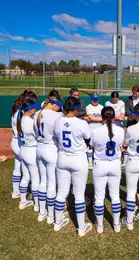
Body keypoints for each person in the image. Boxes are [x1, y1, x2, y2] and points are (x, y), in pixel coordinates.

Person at [53, 97, 92, 237]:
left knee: (62, 192)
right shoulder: (82, 123)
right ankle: (81, 228)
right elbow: (89, 139)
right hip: (78, 159)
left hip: (62, 158)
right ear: (75, 109)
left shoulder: (57, 121)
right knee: (79, 194)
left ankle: (57, 223)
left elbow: (56, 139)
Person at [91, 107, 125, 234]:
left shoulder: (96, 131)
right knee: (115, 195)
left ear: (102, 117)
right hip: (115, 164)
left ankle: (100, 225)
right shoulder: (121, 131)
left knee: (99, 197)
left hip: (100, 164)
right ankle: (116, 224)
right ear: (114, 116)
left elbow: (93, 146)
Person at [34, 96, 62, 224]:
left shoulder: (36, 114)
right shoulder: (56, 116)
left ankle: (42, 213)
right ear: (54, 105)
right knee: (51, 183)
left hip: (39, 149)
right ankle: (51, 216)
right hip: (51, 149)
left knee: (42, 181)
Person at [10, 90, 37, 199]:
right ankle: (33, 196)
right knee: (30, 172)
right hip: (21, 143)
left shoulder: (16, 109)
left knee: (18, 167)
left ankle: (16, 192)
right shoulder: (22, 113)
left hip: (15, 141)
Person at [17, 98, 41, 211]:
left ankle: (22, 201)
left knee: (26, 176)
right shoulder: (31, 122)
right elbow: (38, 136)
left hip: (23, 150)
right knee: (35, 179)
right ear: (30, 110)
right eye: (34, 108)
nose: (35, 110)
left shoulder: (21, 119)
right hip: (32, 151)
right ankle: (37, 205)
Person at [85, 93, 104, 169]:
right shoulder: (88, 107)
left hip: (99, 128)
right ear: (91, 99)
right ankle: (90, 163)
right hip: (91, 128)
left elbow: (103, 117)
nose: (95, 101)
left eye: (96, 99)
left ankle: (98, 160)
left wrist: (94, 118)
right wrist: (99, 119)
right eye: (94, 99)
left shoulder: (101, 107)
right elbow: (91, 118)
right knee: (90, 146)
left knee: (99, 145)